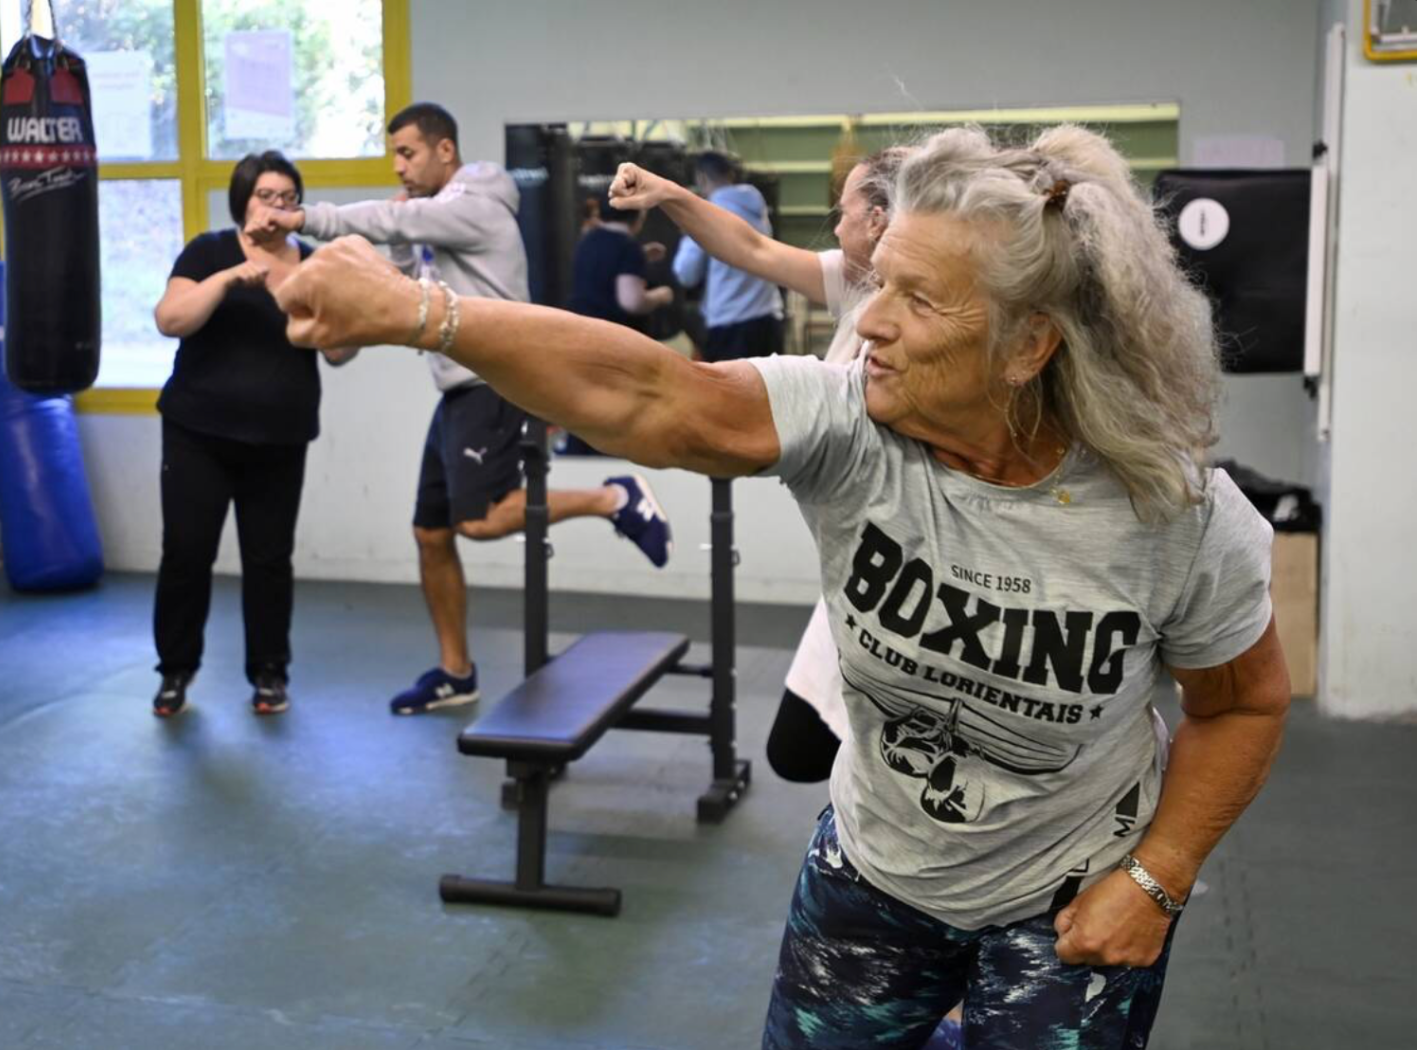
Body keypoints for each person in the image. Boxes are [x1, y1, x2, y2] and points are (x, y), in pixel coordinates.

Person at [274, 123, 1292, 1048]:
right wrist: (421, 311)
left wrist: (1157, 884)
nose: (869, 323)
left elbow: (1243, 703)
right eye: (873, 281)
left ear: (1028, 345)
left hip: (1070, 898)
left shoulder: (1172, 514)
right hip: (874, 873)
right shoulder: (854, 424)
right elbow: (648, 393)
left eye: (916, 297)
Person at [255, 102, 674, 715]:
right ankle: (457, 672)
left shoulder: (475, 204)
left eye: (408, 153)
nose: (398, 166)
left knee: (477, 520)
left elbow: (387, 223)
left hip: (497, 381)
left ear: (444, 152)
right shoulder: (429, 222)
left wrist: (303, 219)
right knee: (431, 533)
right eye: (394, 154)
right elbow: (397, 275)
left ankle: (614, 497)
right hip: (457, 390)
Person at [611, 147, 909, 782]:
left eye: (846, 210)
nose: (836, 224)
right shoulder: (857, 280)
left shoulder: (922, 312)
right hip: (854, 562)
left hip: (900, 565)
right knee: (808, 750)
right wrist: (670, 194)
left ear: (880, 220)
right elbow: (751, 250)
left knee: (811, 750)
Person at [148, 151, 358, 718]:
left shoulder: (314, 265)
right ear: (243, 200)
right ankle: (175, 670)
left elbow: (340, 350)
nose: (277, 207)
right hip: (199, 434)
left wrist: (318, 301)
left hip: (279, 437)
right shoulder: (209, 251)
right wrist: (229, 278)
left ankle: (269, 673)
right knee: (187, 553)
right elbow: (170, 320)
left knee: (269, 559)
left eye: (288, 198)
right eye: (267, 196)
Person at [672, 151, 785, 361]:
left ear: (701, 178)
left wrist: (688, 234)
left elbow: (685, 273)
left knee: (730, 393)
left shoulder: (705, 214)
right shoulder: (756, 207)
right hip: (769, 319)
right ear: (731, 175)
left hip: (730, 326)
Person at [567, 196, 673, 331]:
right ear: (639, 214)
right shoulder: (628, 247)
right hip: (615, 335)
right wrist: (661, 295)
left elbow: (604, 266)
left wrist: (641, 255)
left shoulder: (588, 240)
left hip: (583, 328)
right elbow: (632, 302)